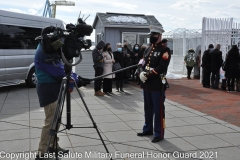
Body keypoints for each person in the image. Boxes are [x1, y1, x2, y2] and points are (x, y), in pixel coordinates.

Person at [34, 38, 88, 160]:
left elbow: (61, 67)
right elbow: (59, 72)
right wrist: (77, 80)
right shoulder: (45, 52)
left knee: (56, 120)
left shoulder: (47, 49)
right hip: (48, 88)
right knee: (51, 121)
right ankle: (42, 153)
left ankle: (53, 146)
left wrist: (77, 77)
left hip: (53, 87)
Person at [137, 25, 171, 143]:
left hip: (157, 84)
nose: (152, 37)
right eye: (151, 35)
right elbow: (142, 62)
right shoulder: (148, 48)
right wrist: (141, 72)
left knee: (158, 110)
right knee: (148, 108)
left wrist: (148, 74)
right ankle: (148, 129)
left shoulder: (164, 50)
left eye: (154, 35)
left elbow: (162, 67)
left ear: (160, 36)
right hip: (146, 84)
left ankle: (159, 133)